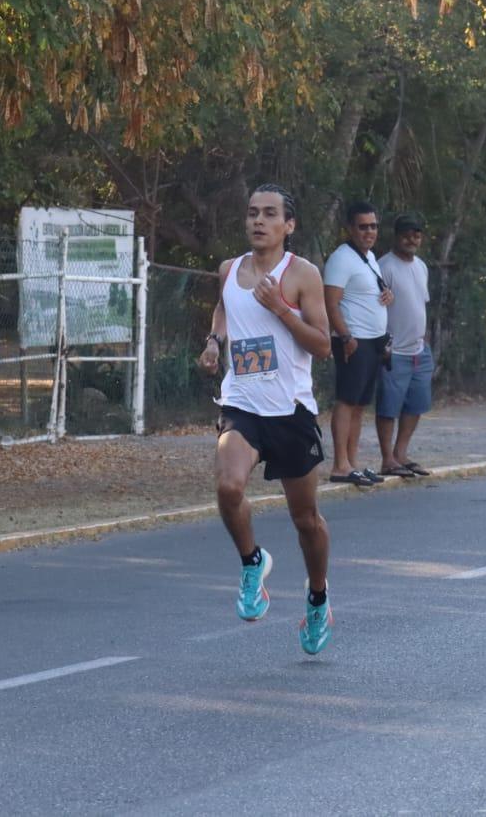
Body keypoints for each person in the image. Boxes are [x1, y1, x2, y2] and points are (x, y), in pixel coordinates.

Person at [196, 183, 335, 655]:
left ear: (288, 225)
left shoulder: (302, 275)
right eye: (252, 213)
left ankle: (317, 598)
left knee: (306, 520)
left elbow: (323, 344)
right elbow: (224, 309)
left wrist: (281, 309)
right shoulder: (229, 269)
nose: (258, 221)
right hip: (243, 403)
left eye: (269, 214)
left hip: (290, 411)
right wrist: (215, 342)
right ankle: (252, 562)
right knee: (229, 486)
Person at [324, 201, 394, 487]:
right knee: (346, 401)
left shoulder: (369, 257)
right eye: (363, 226)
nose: (369, 232)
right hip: (354, 341)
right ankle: (340, 464)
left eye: (373, 226)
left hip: (373, 341)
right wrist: (345, 336)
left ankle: (351, 462)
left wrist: (387, 296)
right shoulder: (341, 258)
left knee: (359, 405)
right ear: (350, 228)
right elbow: (331, 302)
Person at [376, 213, 434, 478]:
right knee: (389, 407)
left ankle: (401, 453)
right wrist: (382, 344)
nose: (412, 239)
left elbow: (421, 304)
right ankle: (387, 458)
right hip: (393, 350)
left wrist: (425, 339)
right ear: (396, 236)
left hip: (418, 350)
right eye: (407, 234)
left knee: (415, 405)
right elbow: (376, 307)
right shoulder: (384, 266)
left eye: (416, 234)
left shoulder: (421, 266)